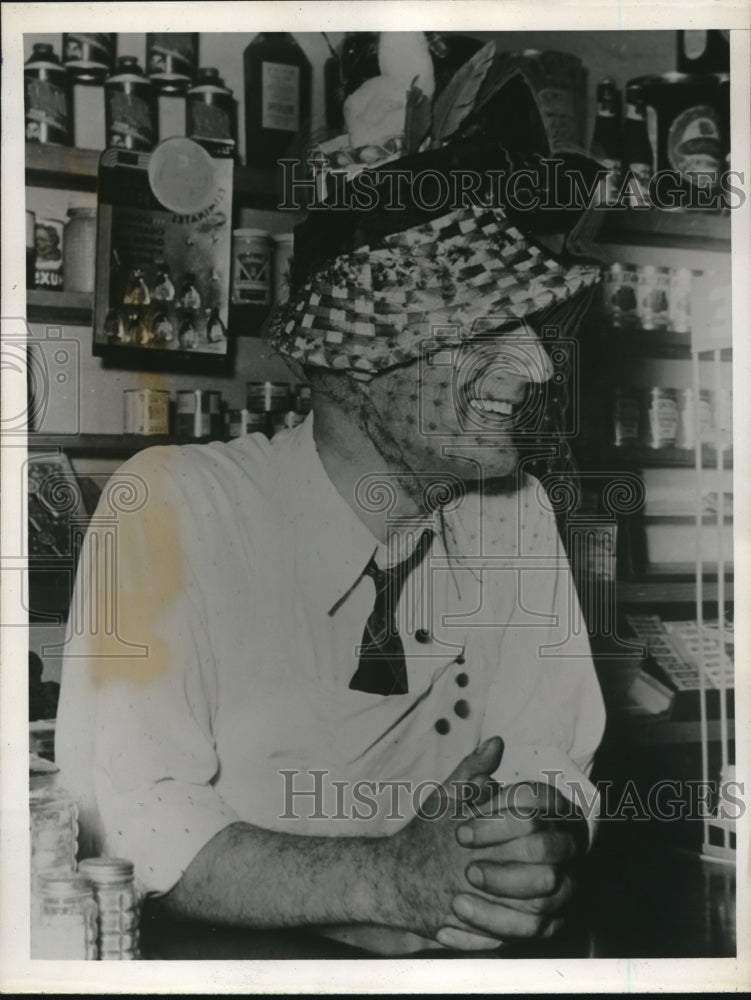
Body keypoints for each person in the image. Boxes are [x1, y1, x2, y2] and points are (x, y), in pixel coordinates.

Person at [55, 36, 607, 955]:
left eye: (533, 328)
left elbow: (551, 751)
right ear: (355, 361)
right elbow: (131, 819)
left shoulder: (514, 512)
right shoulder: (171, 510)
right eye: (486, 332)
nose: (537, 365)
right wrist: (388, 880)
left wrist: (537, 831)